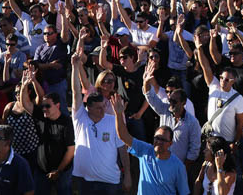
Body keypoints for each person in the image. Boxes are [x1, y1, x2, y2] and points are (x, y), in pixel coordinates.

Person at [71, 52, 131, 194]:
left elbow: (123, 149)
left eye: (104, 107)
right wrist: (74, 66)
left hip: (110, 182)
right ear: (88, 107)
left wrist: (128, 174)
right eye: (98, 108)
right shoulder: (80, 117)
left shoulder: (113, 120)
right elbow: (76, 92)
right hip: (84, 180)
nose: (102, 110)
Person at [110, 94, 190, 195]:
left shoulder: (178, 166)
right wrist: (118, 114)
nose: (159, 142)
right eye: (157, 138)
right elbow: (123, 136)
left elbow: (184, 192)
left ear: (170, 143)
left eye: (163, 140)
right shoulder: (145, 150)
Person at [143, 60, 202, 165]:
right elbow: (150, 96)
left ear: (183, 102)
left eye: (174, 101)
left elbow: (194, 149)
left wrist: (184, 168)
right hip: (160, 162)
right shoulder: (164, 109)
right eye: (169, 100)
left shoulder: (192, 122)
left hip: (180, 165)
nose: (170, 103)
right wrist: (146, 82)